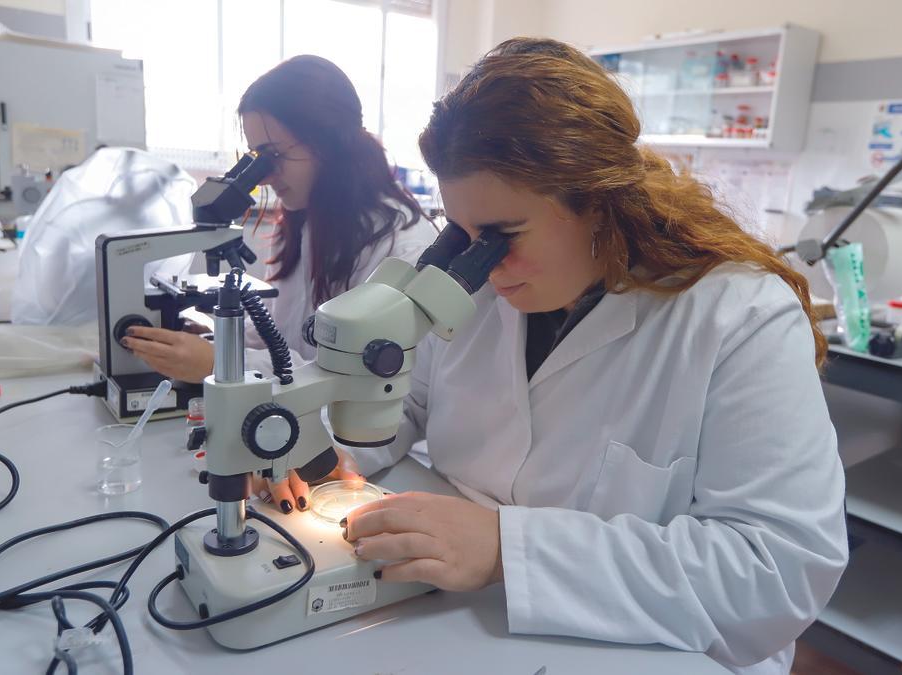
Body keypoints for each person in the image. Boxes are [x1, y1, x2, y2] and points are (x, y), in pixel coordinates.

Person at [280, 38, 848, 673]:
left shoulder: (738, 315)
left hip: (660, 650)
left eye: (502, 236)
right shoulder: (477, 287)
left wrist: (506, 551)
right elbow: (403, 402)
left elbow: (777, 572)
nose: (482, 265)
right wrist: (309, 453)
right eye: (462, 234)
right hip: (458, 615)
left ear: (599, 203)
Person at [124, 56, 438, 513]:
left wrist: (220, 365)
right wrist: (215, 344)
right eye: (255, 158)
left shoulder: (403, 247)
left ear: (329, 143)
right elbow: (276, 332)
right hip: (290, 429)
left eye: (274, 155)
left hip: (349, 452)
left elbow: (392, 402)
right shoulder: (307, 221)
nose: (264, 176)